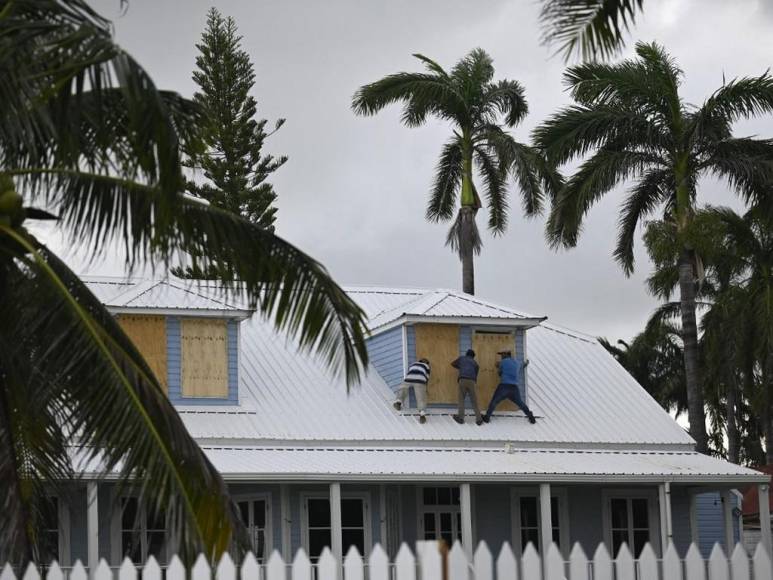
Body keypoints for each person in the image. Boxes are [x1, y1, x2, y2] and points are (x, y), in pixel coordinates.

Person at [483, 350, 536, 424]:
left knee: (494, 401)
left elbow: (500, 373)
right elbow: (523, 365)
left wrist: (497, 366)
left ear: (505, 355)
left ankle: (487, 417)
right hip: (514, 388)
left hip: (504, 386)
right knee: (520, 403)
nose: (501, 357)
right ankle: (531, 417)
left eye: (502, 355)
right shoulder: (517, 363)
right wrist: (526, 363)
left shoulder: (503, 362)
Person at [451, 349, 484, 425]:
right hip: (472, 381)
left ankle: (460, 418)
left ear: (466, 354)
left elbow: (453, 364)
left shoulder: (462, 358)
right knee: (474, 400)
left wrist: (461, 367)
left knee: (461, 399)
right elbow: (476, 372)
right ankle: (479, 419)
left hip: (462, 379)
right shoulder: (475, 363)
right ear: (473, 356)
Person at [393, 358, 431, 423]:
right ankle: (422, 415)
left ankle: (398, 402)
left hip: (409, 378)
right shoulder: (427, 366)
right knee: (421, 397)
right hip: (420, 380)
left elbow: (409, 372)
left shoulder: (413, 364)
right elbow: (427, 377)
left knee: (403, 389)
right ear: (427, 363)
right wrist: (425, 386)